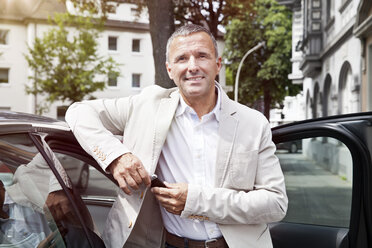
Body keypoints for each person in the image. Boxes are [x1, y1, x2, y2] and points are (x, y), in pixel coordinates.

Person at [65, 24, 288, 248]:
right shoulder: (146, 105)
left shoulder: (253, 123)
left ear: (217, 64)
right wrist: (116, 156)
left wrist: (196, 202)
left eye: (202, 56)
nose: (193, 66)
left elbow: (275, 203)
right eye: (182, 58)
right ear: (170, 70)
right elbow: (78, 112)